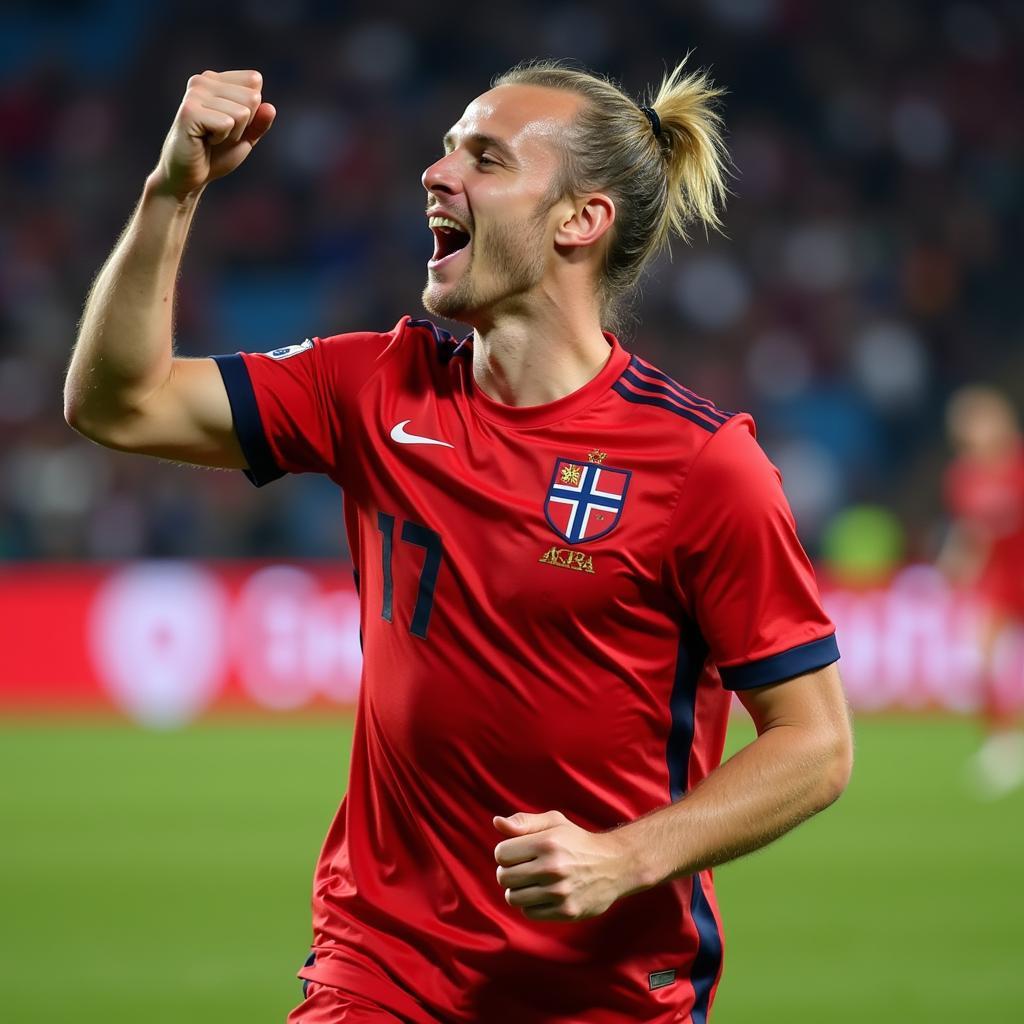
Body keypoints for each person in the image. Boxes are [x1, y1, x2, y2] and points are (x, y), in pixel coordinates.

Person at [65, 60, 852, 1024]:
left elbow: (815, 743)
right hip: (378, 969)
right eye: (445, 151)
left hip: (602, 992)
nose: (438, 175)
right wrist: (172, 191)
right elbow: (120, 402)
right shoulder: (369, 388)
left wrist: (626, 856)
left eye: (484, 157)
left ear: (580, 220)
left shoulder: (702, 467)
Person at [941, 385, 1024, 798]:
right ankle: (1002, 746)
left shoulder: (1018, 465)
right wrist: (957, 564)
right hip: (1001, 580)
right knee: (984, 658)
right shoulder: (963, 476)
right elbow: (972, 531)